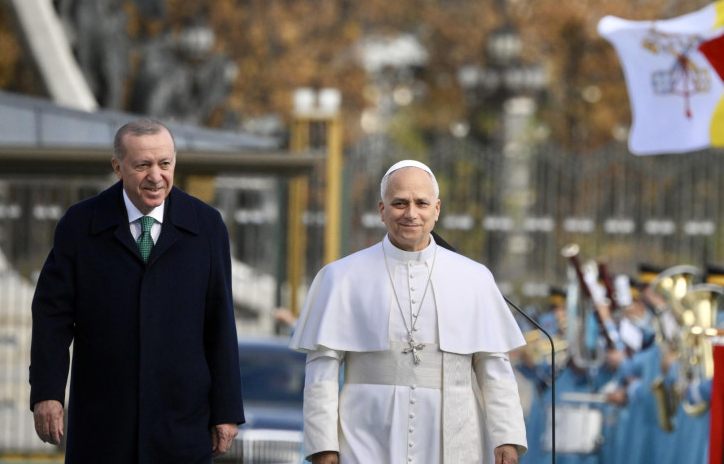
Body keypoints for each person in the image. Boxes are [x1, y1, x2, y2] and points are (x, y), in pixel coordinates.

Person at [29, 119, 244, 462]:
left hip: (182, 427)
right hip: (103, 427)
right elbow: (52, 317)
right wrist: (48, 393)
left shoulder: (206, 226)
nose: (156, 176)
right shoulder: (80, 225)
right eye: (143, 165)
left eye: (165, 164)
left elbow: (220, 321)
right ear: (118, 167)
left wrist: (227, 410)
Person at [290, 160, 527, 463]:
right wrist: (323, 446)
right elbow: (321, 372)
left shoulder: (474, 277)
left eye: (421, 203)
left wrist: (507, 436)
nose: (411, 213)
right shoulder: (342, 277)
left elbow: (494, 369)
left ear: (437, 209)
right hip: (364, 434)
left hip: (453, 435)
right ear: (382, 209)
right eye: (399, 203)